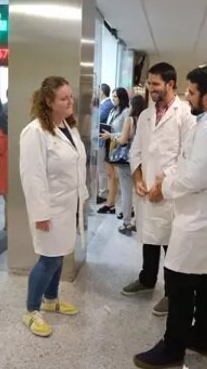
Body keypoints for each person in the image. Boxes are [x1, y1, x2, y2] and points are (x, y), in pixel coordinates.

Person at [133, 65, 207, 369]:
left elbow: (195, 177)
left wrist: (162, 187)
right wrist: (166, 175)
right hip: (204, 214)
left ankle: (173, 347)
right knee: (205, 276)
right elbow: (186, 160)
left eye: (191, 92)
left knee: (179, 279)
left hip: (202, 217)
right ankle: (202, 337)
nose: (186, 96)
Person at [121, 62, 196, 317]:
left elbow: (186, 157)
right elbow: (136, 151)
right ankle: (146, 280)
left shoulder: (185, 115)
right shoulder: (145, 116)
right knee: (149, 239)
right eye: (149, 84)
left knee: (171, 245)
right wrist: (138, 178)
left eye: (155, 84)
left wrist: (163, 185)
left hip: (170, 192)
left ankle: (172, 293)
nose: (150, 89)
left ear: (170, 84)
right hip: (147, 188)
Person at [19, 76, 89, 337]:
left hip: (68, 205)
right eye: (63, 98)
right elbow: (33, 176)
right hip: (50, 207)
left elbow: (76, 164)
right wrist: (41, 214)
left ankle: (51, 300)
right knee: (48, 259)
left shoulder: (66, 127)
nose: (70, 101)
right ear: (48, 101)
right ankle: (31, 310)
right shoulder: (34, 132)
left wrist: (81, 196)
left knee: (60, 255)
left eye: (70, 97)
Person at [112, 94, 147, 236]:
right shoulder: (146, 121)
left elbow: (123, 140)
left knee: (126, 192)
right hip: (143, 160)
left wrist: (114, 137)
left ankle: (126, 222)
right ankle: (138, 222)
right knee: (139, 192)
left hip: (127, 160)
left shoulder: (130, 120)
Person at [98, 88, 130, 214]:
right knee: (110, 175)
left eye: (116, 97)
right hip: (109, 145)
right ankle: (110, 203)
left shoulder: (126, 112)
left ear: (122, 98)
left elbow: (126, 132)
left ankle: (125, 206)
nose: (113, 99)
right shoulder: (113, 110)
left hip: (119, 147)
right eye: (112, 96)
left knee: (118, 177)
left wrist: (111, 135)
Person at [97, 83, 113, 204]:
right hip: (99, 140)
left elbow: (98, 118)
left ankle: (103, 193)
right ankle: (101, 191)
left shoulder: (107, 105)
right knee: (100, 168)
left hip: (104, 140)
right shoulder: (102, 105)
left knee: (102, 169)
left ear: (102, 92)